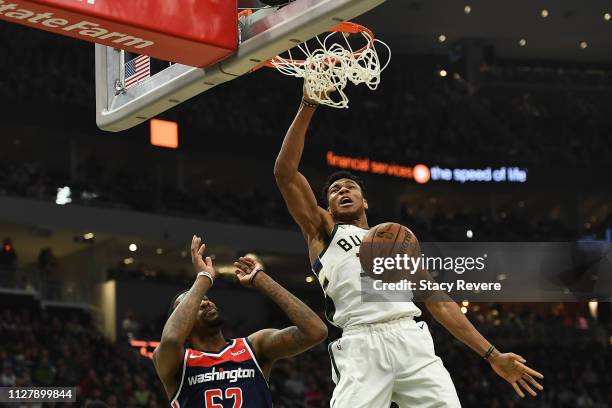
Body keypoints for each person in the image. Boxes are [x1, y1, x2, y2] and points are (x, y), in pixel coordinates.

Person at [273, 88, 544, 407]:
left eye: (351, 187)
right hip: (361, 344)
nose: (343, 190)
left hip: (411, 339)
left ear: (365, 200)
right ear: (328, 206)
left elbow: (440, 304)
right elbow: (284, 173)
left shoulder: (394, 243)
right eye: (334, 190)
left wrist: (493, 355)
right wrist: (309, 104)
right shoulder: (323, 229)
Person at [153, 236, 328, 407]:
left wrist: (261, 279)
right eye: (194, 303)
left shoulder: (254, 346)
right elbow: (170, 339)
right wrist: (204, 277)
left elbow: (315, 331)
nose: (204, 302)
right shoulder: (176, 361)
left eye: (205, 297)